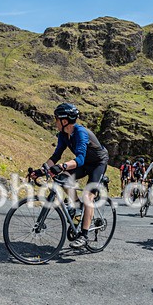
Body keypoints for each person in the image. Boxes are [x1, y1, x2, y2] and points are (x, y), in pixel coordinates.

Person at [30, 103, 109, 249]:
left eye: (56, 119)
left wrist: (62, 166)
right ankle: (78, 207)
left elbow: (79, 159)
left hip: (98, 163)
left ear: (64, 121)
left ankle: (84, 235)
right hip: (84, 162)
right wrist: (41, 171)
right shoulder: (63, 135)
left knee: (88, 196)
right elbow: (56, 156)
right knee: (63, 178)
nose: (55, 122)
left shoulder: (80, 132)